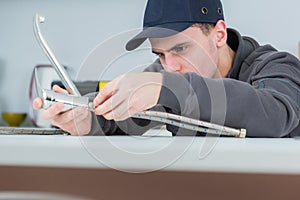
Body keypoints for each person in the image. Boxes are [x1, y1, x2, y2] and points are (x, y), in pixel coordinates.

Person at [33, 0, 300, 137]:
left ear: (219, 34)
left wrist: (164, 87)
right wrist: (88, 119)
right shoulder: (168, 75)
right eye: (160, 54)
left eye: (181, 49)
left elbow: (275, 114)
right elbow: (130, 114)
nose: (169, 66)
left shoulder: (277, 66)